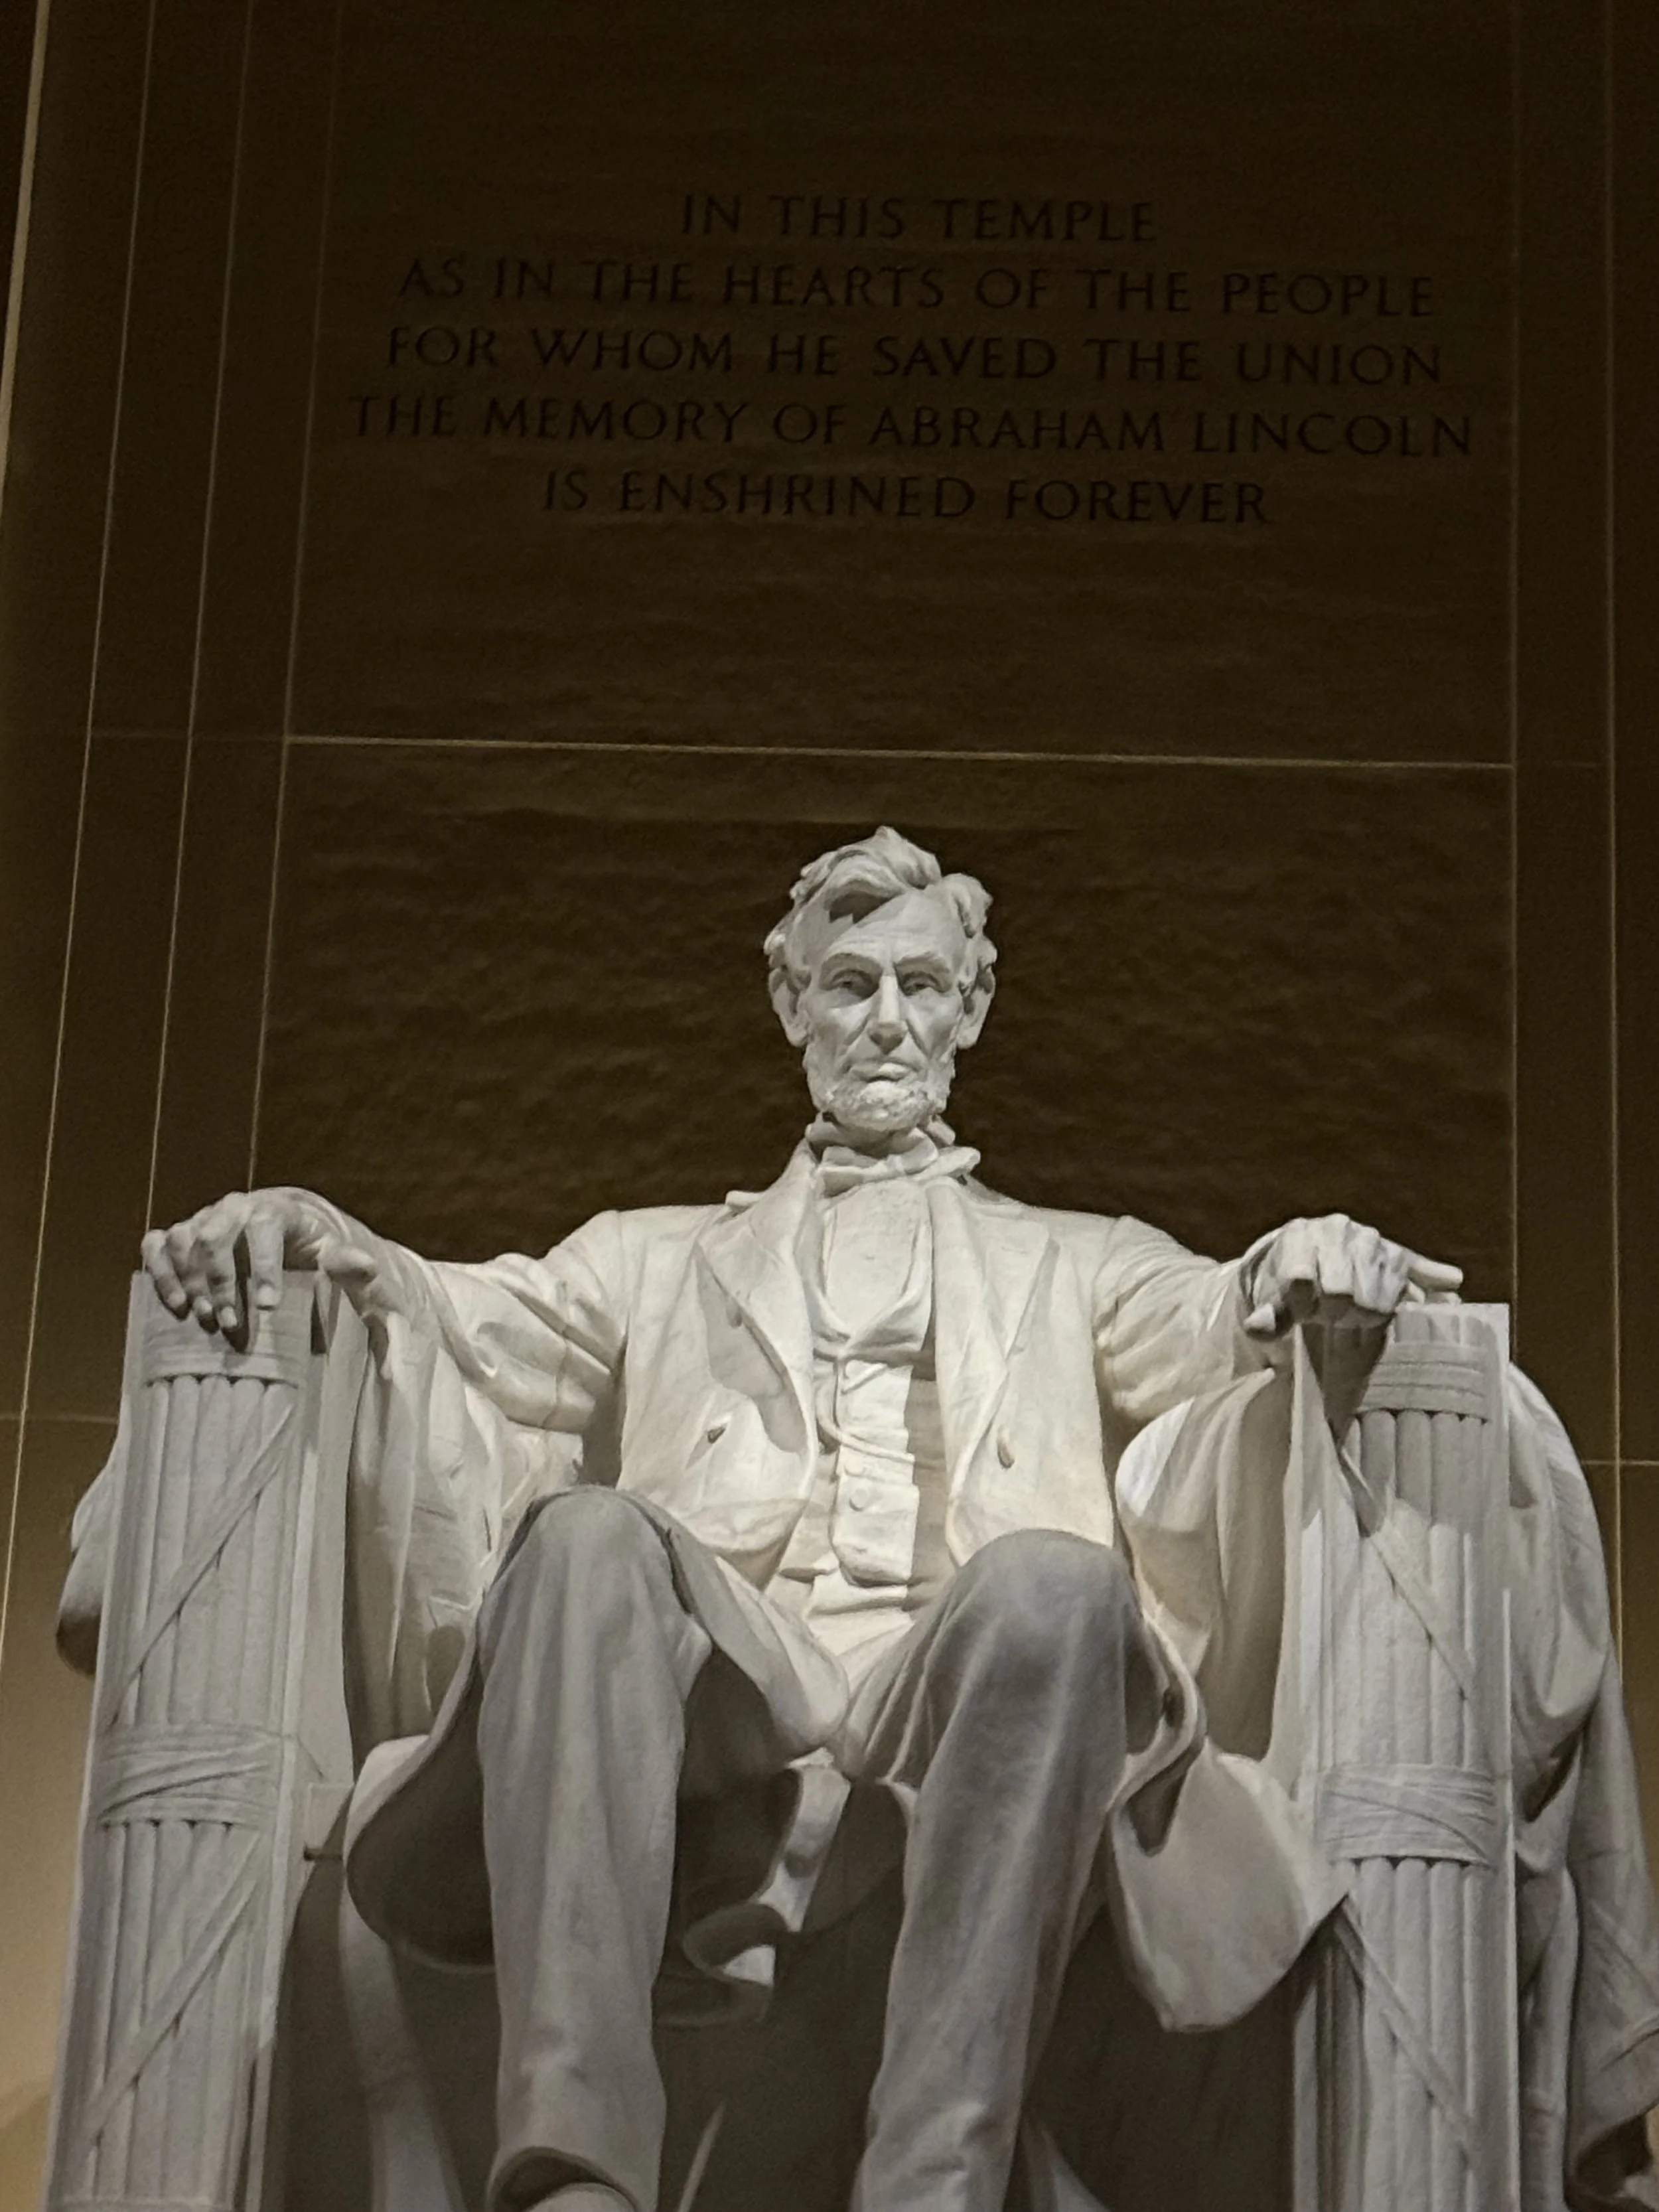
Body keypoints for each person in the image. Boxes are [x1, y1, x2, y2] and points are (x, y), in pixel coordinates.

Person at [139, 828, 1659, 2212]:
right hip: (713, 1687)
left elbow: (1222, 1317)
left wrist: (1296, 1256)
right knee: (586, 1535)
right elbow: (460, 1317)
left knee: (1060, 1584)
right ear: (788, 1002)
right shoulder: (654, 1257)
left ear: (969, 1014)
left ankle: (932, 2175)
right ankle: (572, 2175)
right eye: (849, 981)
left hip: (968, 1682)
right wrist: (324, 1237)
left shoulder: (1073, 1260)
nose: (885, 1018)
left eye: (921, 986)